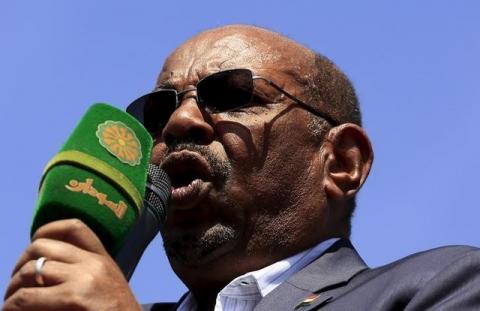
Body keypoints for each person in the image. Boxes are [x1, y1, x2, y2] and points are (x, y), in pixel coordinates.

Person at [3, 24, 480, 311]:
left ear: (342, 163)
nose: (179, 121)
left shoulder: (444, 286)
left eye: (231, 95)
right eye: (157, 110)